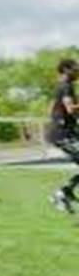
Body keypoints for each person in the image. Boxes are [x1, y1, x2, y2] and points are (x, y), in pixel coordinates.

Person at [48, 59, 79, 213]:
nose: (78, 72)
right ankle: (61, 193)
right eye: (76, 69)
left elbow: (52, 109)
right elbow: (70, 109)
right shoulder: (66, 87)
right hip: (63, 134)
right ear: (66, 70)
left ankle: (65, 192)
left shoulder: (62, 86)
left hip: (66, 132)